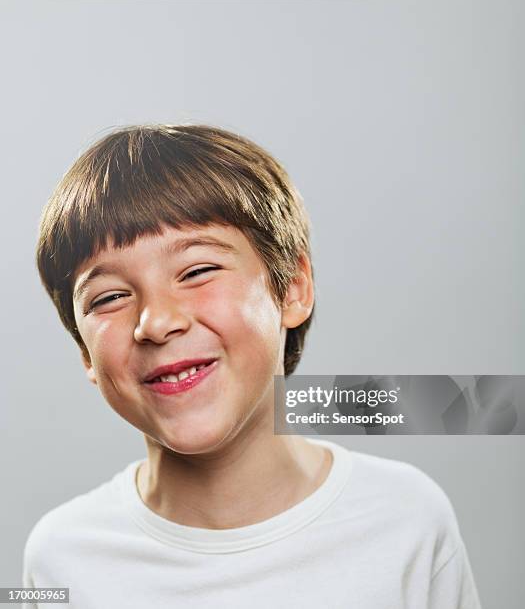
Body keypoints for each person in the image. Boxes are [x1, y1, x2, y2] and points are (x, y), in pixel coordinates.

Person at [23, 124, 482, 608]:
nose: (156, 323)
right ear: (83, 351)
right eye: (110, 297)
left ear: (292, 289)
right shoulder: (61, 557)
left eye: (198, 271)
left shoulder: (407, 519)